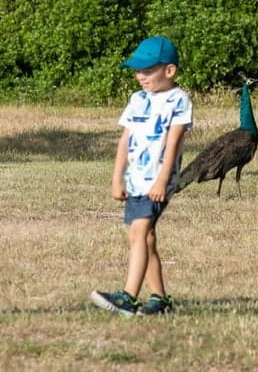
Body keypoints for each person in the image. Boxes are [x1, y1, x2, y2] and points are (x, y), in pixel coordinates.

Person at [91, 36, 193, 316]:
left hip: (157, 182)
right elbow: (125, 140)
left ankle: (128, 297)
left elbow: (173, 143)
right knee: (145, 239)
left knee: (138, 233)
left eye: (147, 71)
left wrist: (162, 180)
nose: (140, 76)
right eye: (138, 71)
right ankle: (159, 300)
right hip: (136, 180)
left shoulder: (178, 100)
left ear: (169, 71)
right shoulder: (137, 100)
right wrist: (117, 178)